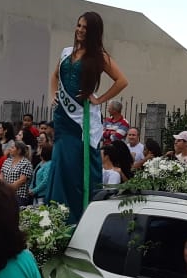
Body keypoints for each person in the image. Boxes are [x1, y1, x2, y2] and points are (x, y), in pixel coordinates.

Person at [48, 12, 128, 224]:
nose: (80, 30)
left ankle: (79, 218)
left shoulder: (99, 56)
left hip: (82, 120)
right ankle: (57, 216)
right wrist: (53, 95)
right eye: (78, 25)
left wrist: (100, 99)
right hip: (63, 117)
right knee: (60, 164)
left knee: (78, 168)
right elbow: (55, 75)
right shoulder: (66, 52)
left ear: (93, 32)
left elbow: (122, 81)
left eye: (85, 27)